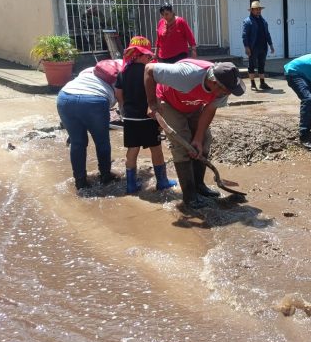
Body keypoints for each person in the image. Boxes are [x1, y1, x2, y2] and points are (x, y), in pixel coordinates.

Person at [144, 59, 245, 212]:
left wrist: (198, 138)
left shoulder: (223, 87)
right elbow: (149, 69)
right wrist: (152, 103)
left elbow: (209, 110)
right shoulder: (186, 75)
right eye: (226, 90)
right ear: (213, 81)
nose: (228, 94)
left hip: (193, 104)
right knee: (182, 144)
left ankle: (199, 185)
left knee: (205, 140)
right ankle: (189, 196)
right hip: (168, 102)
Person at [115, 36, 177, 194]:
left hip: (130, 117)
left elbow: (118, 94)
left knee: (132, 149)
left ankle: (131, 185)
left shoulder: (123, 72)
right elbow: (157, 94)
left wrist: (124, 109)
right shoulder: (150, 72)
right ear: (139, 55)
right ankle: (162, 182)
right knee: (156, 149)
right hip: (148, 117)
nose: (150, 58)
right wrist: (159, 111)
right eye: (147, 56)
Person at [56, 65, 121, 190]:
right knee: (102, 142)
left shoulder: (90, 69)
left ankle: (80, 182)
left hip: (65, 97)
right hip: (94, 101)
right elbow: (122, 98)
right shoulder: (124, 70)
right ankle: (105, 176)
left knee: (77, 143)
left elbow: (78, 98)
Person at [242, 0, 275, 91]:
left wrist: (271, 45)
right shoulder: (247, 21)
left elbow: (267, 34)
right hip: (253, 47)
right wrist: (246, 47)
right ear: (252, 10)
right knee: (251, 65)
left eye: (259, 9)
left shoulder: (263, 21)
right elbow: (245, 35)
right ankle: (253, 84)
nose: (258, 11)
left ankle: (262, 83)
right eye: (256, 9)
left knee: (262, 65)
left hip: (263, 46)